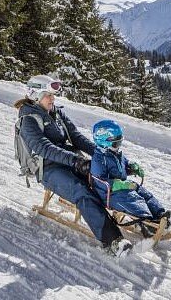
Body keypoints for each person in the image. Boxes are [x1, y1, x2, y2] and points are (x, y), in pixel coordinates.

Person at [15, 75, 132, 257]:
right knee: (81, 190)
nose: (53, 99)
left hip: (70, 159)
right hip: (48, 168)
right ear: (36, 96)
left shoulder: (56, 112)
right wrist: (76, 161)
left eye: (53, 95)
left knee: (104, 177)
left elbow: (77, 138)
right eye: (48, 95)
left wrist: (104, 156)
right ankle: (113, 242)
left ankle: (143, 217)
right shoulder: (28, 120)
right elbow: (44, 148)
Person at [89, 119, 171, 237]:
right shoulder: (99, 159)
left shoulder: (115, 153)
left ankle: (160, 215)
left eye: (120, 142)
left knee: (143, 193)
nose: (118, 146)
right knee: (133, 199)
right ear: (104, 142)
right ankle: (147, 224)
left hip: (122, 187)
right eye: (116, 143)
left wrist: (132, 167)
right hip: (109, 194)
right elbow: (99, 181)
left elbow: (123, 165)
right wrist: (118, 184)